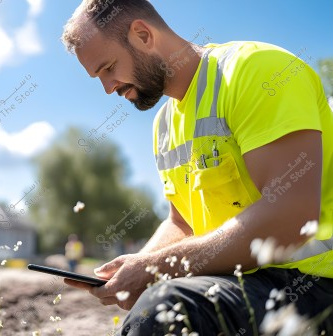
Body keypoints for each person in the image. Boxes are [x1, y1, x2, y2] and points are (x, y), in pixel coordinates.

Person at [60, 1, 333, 334]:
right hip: (243, 280)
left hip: (315, 284)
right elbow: (182, 221)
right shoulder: (164, 125)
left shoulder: (257, 71)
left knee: (168, 310)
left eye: (108, 67)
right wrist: (132, 267)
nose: (108, 87)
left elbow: (291, 217)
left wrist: (153, 268)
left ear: (144, 35)